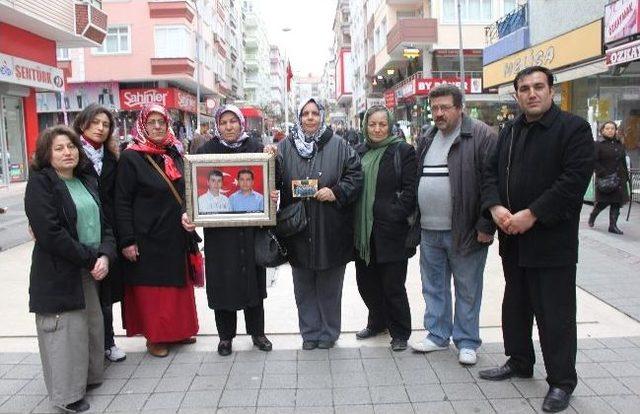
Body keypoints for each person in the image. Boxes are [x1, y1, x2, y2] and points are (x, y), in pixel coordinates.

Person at [479, 66, 594, 413]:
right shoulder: (510, 130)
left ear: (551, 90)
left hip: (551, 241)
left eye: (538, 87)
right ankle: (519, 360)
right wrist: (496, 207)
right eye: (524, 88)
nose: (532, 93)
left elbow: (573, 181)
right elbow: (489, 173)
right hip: (513, 238)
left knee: (554, 314)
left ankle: (561, 382)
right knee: (515, 305)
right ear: (516, 95)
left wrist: (532, 214)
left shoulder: (573, 129)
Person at [25, 125, 116, 413]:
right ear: (46, 154)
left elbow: (105, 224)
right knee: (64, 332)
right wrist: (90, 259)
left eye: (72, 146)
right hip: (59, 269)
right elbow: (50, 233)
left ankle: (88, 379)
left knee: (89, 326)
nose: (68, 152)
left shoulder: (86, 180)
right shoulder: (41, 183)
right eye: (60, 148)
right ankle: (66, 395)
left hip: (90, 267)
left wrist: (105, 255)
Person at [409, 85, 497, 366]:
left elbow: (490, 182)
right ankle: (437, 334)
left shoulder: (480, 135)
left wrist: (487, 224)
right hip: (430, 230)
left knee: (468, 287)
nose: (439, 113)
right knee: (433, 286)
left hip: (466, 229)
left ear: (460, 108)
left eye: (445, 107)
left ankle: (467, 341)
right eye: (434, 108)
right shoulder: (428, 136)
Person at [276, 97, 363, 350]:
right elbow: (273, 181)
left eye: (315, 113)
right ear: (299, 117)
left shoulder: (339, 145)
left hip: (330, 228)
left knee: (329, 286)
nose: (310, 118)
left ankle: (328, 333)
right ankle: (310, 333)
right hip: (297, 229)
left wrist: (336, 191)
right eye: (305, 114)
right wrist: (270, 170)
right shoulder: (284, 146)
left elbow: (356, 175)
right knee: (303, 286)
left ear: (322, 116)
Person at [115, 104, 199, 358]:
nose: (158, 127)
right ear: (142, 125)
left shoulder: (173, 151)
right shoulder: (131, 157)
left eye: (161, 122)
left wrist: (188, 211)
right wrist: (127, 240)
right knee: (153, 291)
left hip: (175, 234)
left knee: (176, 287)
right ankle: (156, 337)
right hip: (147, 236)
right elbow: (122, 201)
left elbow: (187, 188)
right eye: (152, 122)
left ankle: (179, 331)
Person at [194, 104, 274, 356]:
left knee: (253, 281)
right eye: (224, 122)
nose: (229, 126)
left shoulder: (257, 148)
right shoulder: (206, 150)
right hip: (219, 234)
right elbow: (195, 186)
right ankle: (225, 337)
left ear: (241, 123)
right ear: (217, 125)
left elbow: (273, 178)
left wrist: (273, 176)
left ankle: (257, 333)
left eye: (233, 122)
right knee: (223, 282)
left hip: (251, 231)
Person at [353, 105, 416, 352]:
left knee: (393, 286)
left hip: (392, 232)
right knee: (366, 283)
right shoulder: (358, 152)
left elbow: (411, 189)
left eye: (382, 124)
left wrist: (394, 213)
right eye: (372, 124)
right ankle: (377, 322)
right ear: (365, 126)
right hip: (363, 234)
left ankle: (400, 331)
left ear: (389, 125)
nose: (377, 129)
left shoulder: (403, 151)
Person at [72, 104, 126, 364]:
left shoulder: (113, 158)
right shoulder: (73, 155)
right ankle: (86, 346)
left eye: (105, 124)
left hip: (107, 231)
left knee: (105, 290)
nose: (101, 128)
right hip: (80, 230)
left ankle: (108, 342)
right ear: (83, 124)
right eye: (96, 122)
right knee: (82, 290)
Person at [588, 121, 629, 234]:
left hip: (619, 178)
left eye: (612, 128)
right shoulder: (598, 145)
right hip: (605, 178)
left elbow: (623, 162)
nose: (610, 130)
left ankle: (613, 226)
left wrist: (626, 177)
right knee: (603, 202)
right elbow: (593, 161)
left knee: (616, 203)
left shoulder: (620, 144)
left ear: (616, 130)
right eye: (607, 128)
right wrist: (602, 173)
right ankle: (593, 216)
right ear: (602, 131)